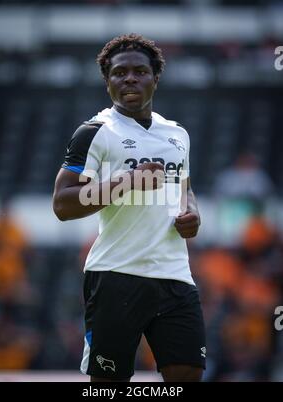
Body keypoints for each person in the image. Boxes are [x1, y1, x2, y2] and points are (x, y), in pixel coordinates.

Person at [53, 33, 205, 382]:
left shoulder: (177, 134)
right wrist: (127, 182)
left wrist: (192, 214)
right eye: (120, 73)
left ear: (155, 77)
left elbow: (184, 189)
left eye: (140, 71)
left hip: (175, 276)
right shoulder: (95, 132)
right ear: (107, 82)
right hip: (115, 275)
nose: (130, 78)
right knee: (110, 384)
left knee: (188, 374)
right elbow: (62, 203)